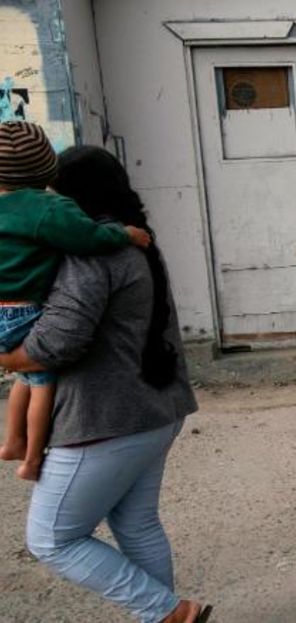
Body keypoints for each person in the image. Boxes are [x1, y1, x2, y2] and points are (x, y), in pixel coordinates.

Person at [0, 145, 209, 621]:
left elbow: (53, 346)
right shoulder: (137, 241)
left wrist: (7, 355)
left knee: (51, 538)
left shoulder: (89, 256)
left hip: (106, 419)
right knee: (137, 526)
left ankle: (171, 612)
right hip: (154, 410)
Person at [0, 121, 150, 480]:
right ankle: (31, 456)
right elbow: (89, 238)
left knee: (24, 376)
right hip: (24, 309)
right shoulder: (51, 211)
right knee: (40, 379)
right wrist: (123, 234)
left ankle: (11, 439)